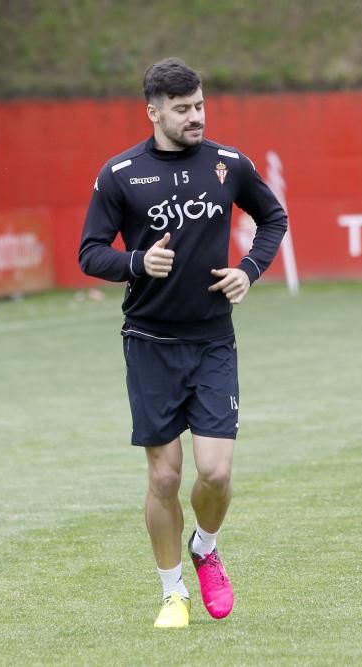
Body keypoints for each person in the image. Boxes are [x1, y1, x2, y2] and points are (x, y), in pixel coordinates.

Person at [78, 57, 287, 628]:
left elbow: (273, 219)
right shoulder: (120, 174)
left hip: (212, 339)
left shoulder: (228, 164)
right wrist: (137, 262)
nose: (196, 117)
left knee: (215, 474)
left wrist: (249, 269)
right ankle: (173, 592)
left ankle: (206, 547)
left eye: (199, 105)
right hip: (148, 341)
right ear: (153, 112)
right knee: (165, 476)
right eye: (182, 109)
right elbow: (91, 252)